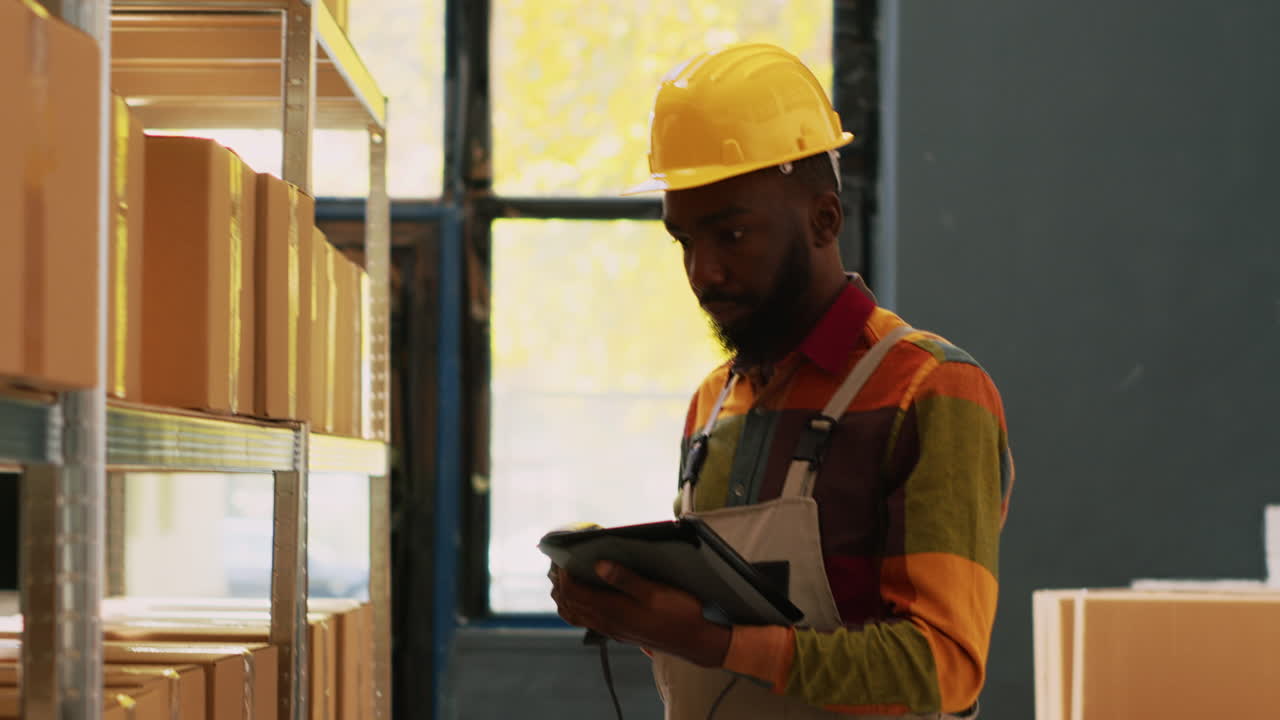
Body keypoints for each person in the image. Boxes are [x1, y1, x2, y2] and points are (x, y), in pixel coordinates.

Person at [549, 43, 1014, 720]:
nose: (702, 272)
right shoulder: (713, 406)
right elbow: (719, 644)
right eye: (684, 241)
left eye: (732, 235)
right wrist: (634, 610)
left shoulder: (930, 390)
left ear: (825, 219)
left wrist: (709, 639)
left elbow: (943, 671)